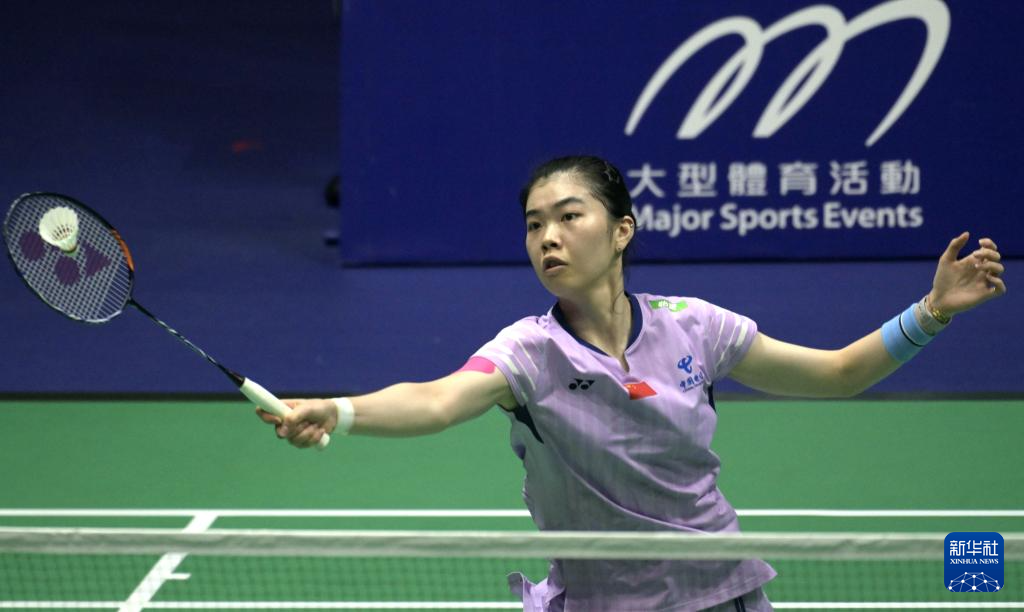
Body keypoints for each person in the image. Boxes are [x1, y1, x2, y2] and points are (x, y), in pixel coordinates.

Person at [257, 155, 1006, 611]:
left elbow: (838, 374)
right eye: (533, 225)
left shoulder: (697, 326)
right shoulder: (528, 352)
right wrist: (340, 409)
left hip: (717, 592)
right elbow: (436, 399)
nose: (547, 237)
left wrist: (932, 311)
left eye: (568, 216)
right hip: (599, 603)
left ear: (622, 230)